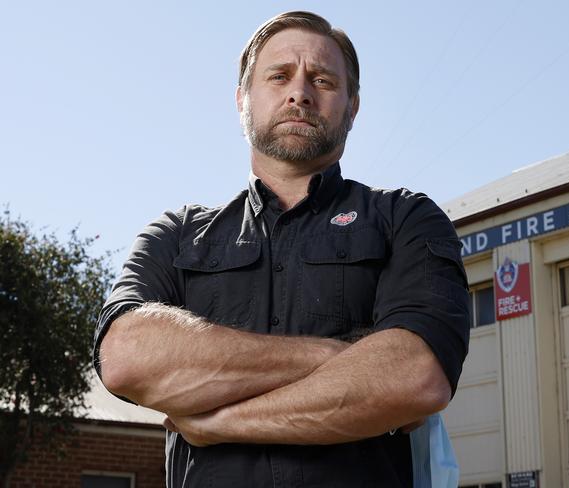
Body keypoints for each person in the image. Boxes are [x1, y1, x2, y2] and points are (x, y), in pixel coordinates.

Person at [94, 11, 470, 487]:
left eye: (323, 80)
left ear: (352, 107)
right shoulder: (177, 234)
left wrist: (217, 423)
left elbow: (415, 375)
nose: (300, 93)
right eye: (279, 76)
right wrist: (350, 358)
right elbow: (126, 356)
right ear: (242, 100)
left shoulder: (406, 219)